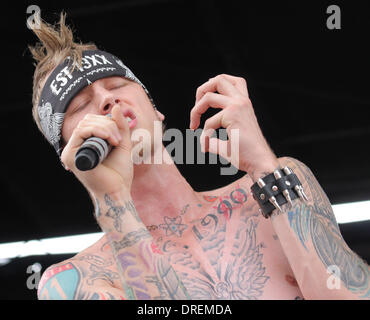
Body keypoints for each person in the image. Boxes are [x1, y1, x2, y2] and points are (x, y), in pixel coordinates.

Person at [29, 12, 369, 300]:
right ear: (70, 155)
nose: (107, 100)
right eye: (80, 105)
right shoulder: (75, 280)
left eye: (117, 85)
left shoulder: (281, 182)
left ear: (156, 111)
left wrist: (265, 168)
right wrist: (112, 201)